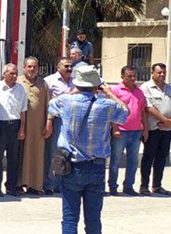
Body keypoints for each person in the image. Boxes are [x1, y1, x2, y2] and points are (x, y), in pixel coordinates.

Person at [48, 65, 128, 234]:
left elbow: (51, 106)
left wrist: (73, 92)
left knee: (70, 218)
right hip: (96, 166)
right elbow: (125, 112)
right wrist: (109, 92)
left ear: (77, 84)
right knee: (93, 219)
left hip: (71, 165)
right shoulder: (106, 105)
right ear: (96, 85)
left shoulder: (65, 101)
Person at [139, 63, 171, 196]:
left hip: (167, 130)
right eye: (159, 72)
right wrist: (164, 120)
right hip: (153, 129)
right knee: (148, 157)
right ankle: (144, 186)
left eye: (163, 72)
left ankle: (157, 186)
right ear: (152, 73)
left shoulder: (169, 88)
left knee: (162, 158)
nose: (162, 74)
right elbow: (148, 108)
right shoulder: (146, 87)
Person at [108, 66, 147, 196]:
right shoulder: (116, 91)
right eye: (129, 76)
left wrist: (145, 129)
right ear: (122, 76)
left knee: (133, 161)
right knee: (115, 161)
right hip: (121, 131)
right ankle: (113, 186)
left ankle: (129, 186)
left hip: (136, 132)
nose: (132, 78)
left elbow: (142, 111)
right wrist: (115, 128)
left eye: (134, 76)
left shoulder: (139, 91)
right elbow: (112, 112)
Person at [0, 63, 28, 197]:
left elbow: (23, 111)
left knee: (13, 158)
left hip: (15, 125)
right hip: (0, 125)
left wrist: (22, 129)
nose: (14, 76)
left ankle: (11, 187)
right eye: (11, 73)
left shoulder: (21, 89)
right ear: (4, 74)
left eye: (15, 73)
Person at [17, 57, 50, 195]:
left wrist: (48, 124)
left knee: (36, 155)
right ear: (24, 68)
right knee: (19, 155)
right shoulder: (18, 81)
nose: (32, 69)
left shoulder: (43, 83)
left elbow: (49, 105)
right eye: (29, 66)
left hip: (37, 127)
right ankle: (18, 184)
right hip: (19, 126)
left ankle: (35, 185)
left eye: (34, 67)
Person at [43, 57, 74, 195]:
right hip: (56, 120)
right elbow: (48, 102)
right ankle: (49, 184)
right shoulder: (50, 81)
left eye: (70, 66)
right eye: (66, 66)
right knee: (54, 152)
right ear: (58, 67)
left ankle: (61, 184)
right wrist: (49, 122)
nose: (69, 69)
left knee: (66, 152)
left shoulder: (75, 82)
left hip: (71, 121)